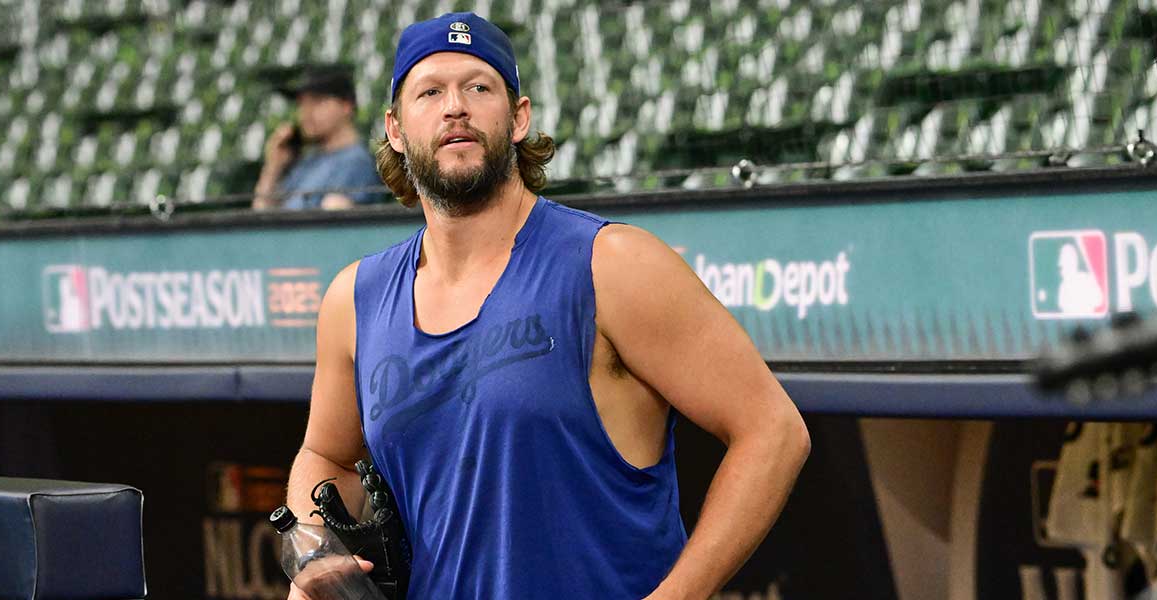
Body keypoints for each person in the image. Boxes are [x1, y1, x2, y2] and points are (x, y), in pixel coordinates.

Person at [285, 12, 810, 600]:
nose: (454, 106)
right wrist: (311, 546)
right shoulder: (354, 299)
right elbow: (325, 454)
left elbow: (773, 431)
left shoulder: (612, 265)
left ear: (518, 118)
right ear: (396, 129)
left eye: (478, 87)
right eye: (429, 91)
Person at [253, 66, 382, 210]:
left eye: (317, 101)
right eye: (301, 104)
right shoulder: (307, 161)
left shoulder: (355, 161)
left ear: (346, 106)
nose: (306, 112)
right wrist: (273, 168)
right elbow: (261, 216)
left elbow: (335, 218)